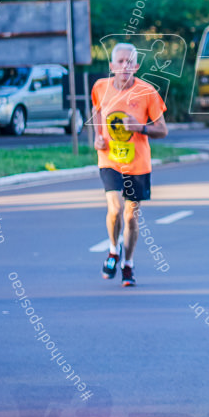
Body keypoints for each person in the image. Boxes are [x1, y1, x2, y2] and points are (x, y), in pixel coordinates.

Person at [91, 43, 168, 287]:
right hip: (109, 159)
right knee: (114, 209)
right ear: (112, 66)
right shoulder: (100, 87)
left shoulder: (147, 92)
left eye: (129, 62)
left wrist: (140, 127)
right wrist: (97, 136)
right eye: (120, 61)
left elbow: (162, 129)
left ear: (136, 66)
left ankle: (128, 263)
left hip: (137, 164)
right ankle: (113, 250)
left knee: (131, 217)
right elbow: (96, 110)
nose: (125, 66)